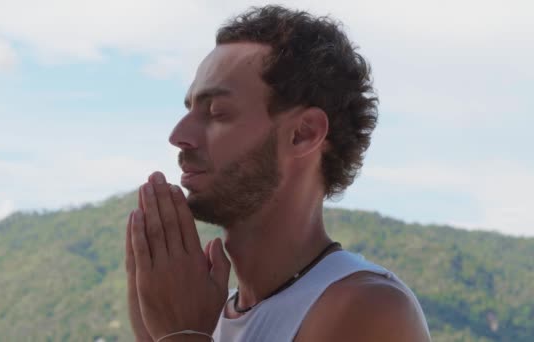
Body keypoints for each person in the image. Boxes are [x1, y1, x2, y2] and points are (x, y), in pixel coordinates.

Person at [125, 5, 431, 342]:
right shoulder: (205, 313)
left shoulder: (370, 307)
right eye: (189, 110)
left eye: (216, 112)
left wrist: (181, 334)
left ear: (303, 133)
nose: (178, 135)